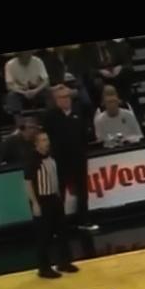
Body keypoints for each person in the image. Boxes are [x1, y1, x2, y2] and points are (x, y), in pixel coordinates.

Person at [42, 85, 96, 233]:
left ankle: (84, 220)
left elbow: (85, 133)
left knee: (82, 190)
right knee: (59, 192)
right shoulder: (50, 116)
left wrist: (84, 150)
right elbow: (47, 138)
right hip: (60, 160)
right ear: (56, 100)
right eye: (62, 97)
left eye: (67, 97)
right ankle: (59, 225)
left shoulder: (78, 112)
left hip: (79, 157)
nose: (66, 100)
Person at [23, 132, 77, 279]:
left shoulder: (51, 156)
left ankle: (63, 262)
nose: (47, 142)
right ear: (36, 143)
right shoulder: (32, 160)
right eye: (43, 140)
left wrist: (58, 195)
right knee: (44, 236)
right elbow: (27, 183)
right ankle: (44, 268)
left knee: (62, 231)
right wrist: (35, 203)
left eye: (47, 139)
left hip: (54, 198)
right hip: (42, 200)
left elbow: (54, 177)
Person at [4, 51, 50, 115]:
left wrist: (35, 90)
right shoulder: (10, 64)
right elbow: (9, 86)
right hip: (20, 91)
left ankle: (48, 116)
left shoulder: (38, 61)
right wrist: (23, 92)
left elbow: (46, 81)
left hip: (36, 89)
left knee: (49, 93)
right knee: (11, 96)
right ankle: (18, 119)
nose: (27, 56)